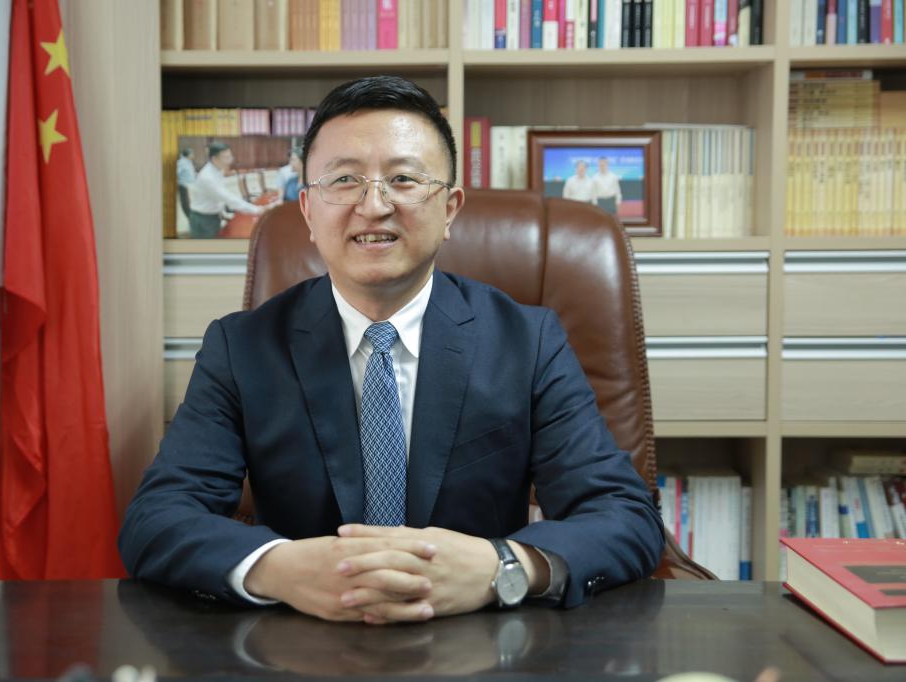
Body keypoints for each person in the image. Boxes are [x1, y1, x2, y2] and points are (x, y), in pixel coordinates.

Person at [119, 76, 664, 624]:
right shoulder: (243, 347)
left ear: (449, 209)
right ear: (307, 210)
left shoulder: (528, 341)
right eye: (344, 180)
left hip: (480, 640)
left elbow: (624, 514)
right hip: (300, 640)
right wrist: (279, 568)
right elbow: (157, 518)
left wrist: (502, 567)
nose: (374, 205)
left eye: (403, 179)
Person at [188, 143, 279, 238]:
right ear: (214, 159)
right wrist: (257, 210)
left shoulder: (217, 169)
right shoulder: (207, 178)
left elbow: (221, 194)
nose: (230, 160)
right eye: (226, 157)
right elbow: (228, 199)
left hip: (214, 215)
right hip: (203, 219)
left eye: (230, 156)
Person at [176, 147, 196, 219]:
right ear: (188, 154)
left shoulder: (189, 161)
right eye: (192, 154)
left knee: (190, 202)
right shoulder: (181, 163)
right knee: (185, 202)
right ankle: (189, 216)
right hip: (184, 185)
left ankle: (191, 216)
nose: (193, 155)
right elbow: (176, 173)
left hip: (190, 185)